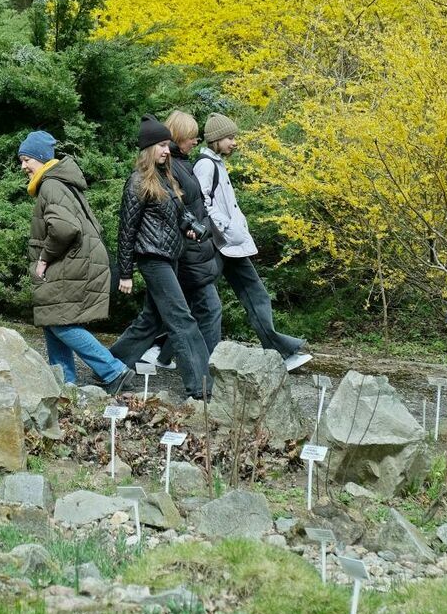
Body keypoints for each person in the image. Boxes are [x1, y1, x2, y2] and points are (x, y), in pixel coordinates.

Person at [19, 130, 135, 394]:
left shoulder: (50, 184)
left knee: (60, 322)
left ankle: (113, 370)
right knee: (53, 318)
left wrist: (43, 259)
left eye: (27, 160)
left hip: (70, 263)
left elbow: (64, 228)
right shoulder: (58, 182)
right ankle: (65, 384)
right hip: (77, 261)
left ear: (40, 157)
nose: (23, 166)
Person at [107, 115, 213, 400]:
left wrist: (190, 227)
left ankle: (107, 367)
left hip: (170, 256)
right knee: (182, 318)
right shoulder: (137, 181)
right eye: (161, 145)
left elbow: (178, 214)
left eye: (167, 145)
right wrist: (126, 273)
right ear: (148, 149)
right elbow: (126, 231)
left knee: (151, 321)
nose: (167, 150)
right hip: (153, 259)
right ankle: (201, 388)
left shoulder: (165, 178)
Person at [194, 113, 310, 370]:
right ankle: (160, 347)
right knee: (203, 299)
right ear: (215, 140)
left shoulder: (217, 163)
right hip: (219, 245)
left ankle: (280, 351)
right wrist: (225, 227)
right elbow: (200, 204)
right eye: (229, 138)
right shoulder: (206, 165)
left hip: (229, 245)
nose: (234, 142)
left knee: (254, 294)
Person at [150, 111, 222, 365]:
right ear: (179, 136)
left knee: (160, 317)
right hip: (189, 250)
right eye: (191, 136)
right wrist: (196, 228)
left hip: (198, 247)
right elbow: (179, 210)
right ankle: (209, 370)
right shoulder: (171, 167)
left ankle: (156, 356)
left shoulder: (183, 163)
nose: (196, 141)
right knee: (209, 310)